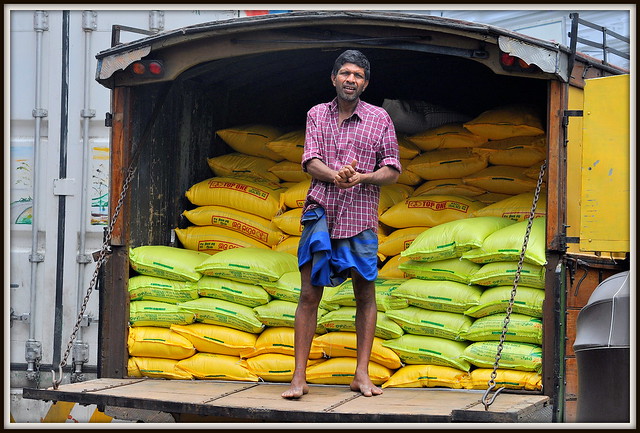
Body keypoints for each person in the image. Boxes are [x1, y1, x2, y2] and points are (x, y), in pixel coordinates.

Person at [281, 49, 401, 399]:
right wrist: (336, 176)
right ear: (333, 78)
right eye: (346, 73)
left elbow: (392, 169)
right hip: (320, 213)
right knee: (308, 295)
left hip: (361, 218)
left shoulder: (380, 119)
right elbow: (309, 160)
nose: (352, 80)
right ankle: (298, 378)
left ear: (366, 83)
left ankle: (361, 375)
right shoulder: (317, 114)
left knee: (365, 295)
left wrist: (362, 177)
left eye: (359, 75)